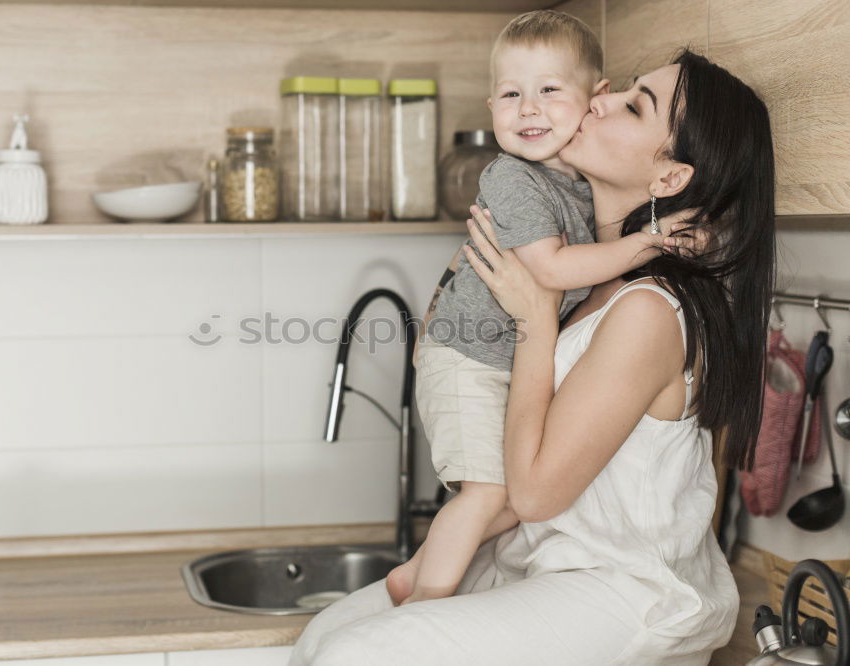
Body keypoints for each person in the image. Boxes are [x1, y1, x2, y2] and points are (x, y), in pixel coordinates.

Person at [288, 47, 774, 665]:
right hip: (539, 564)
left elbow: (539, 491)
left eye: (632, 105)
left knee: (356, 655)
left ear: (669, 178)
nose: (597, 99)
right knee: (323, 637)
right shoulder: (578, 275)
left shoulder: (650, 311)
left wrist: (534, 321)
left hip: (625, 591)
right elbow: (522, 488)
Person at [388, 9, 681, 607]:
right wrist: (648, 241)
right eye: (510, 94)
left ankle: (413, 575)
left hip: (493, 358)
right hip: (469, 359)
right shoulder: (512, 177)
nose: (528, 109)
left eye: (549, 91)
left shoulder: (574, 183)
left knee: (498, 497)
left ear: (591, 99)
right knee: (483, 495)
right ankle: (422, 609)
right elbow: (548, 272)